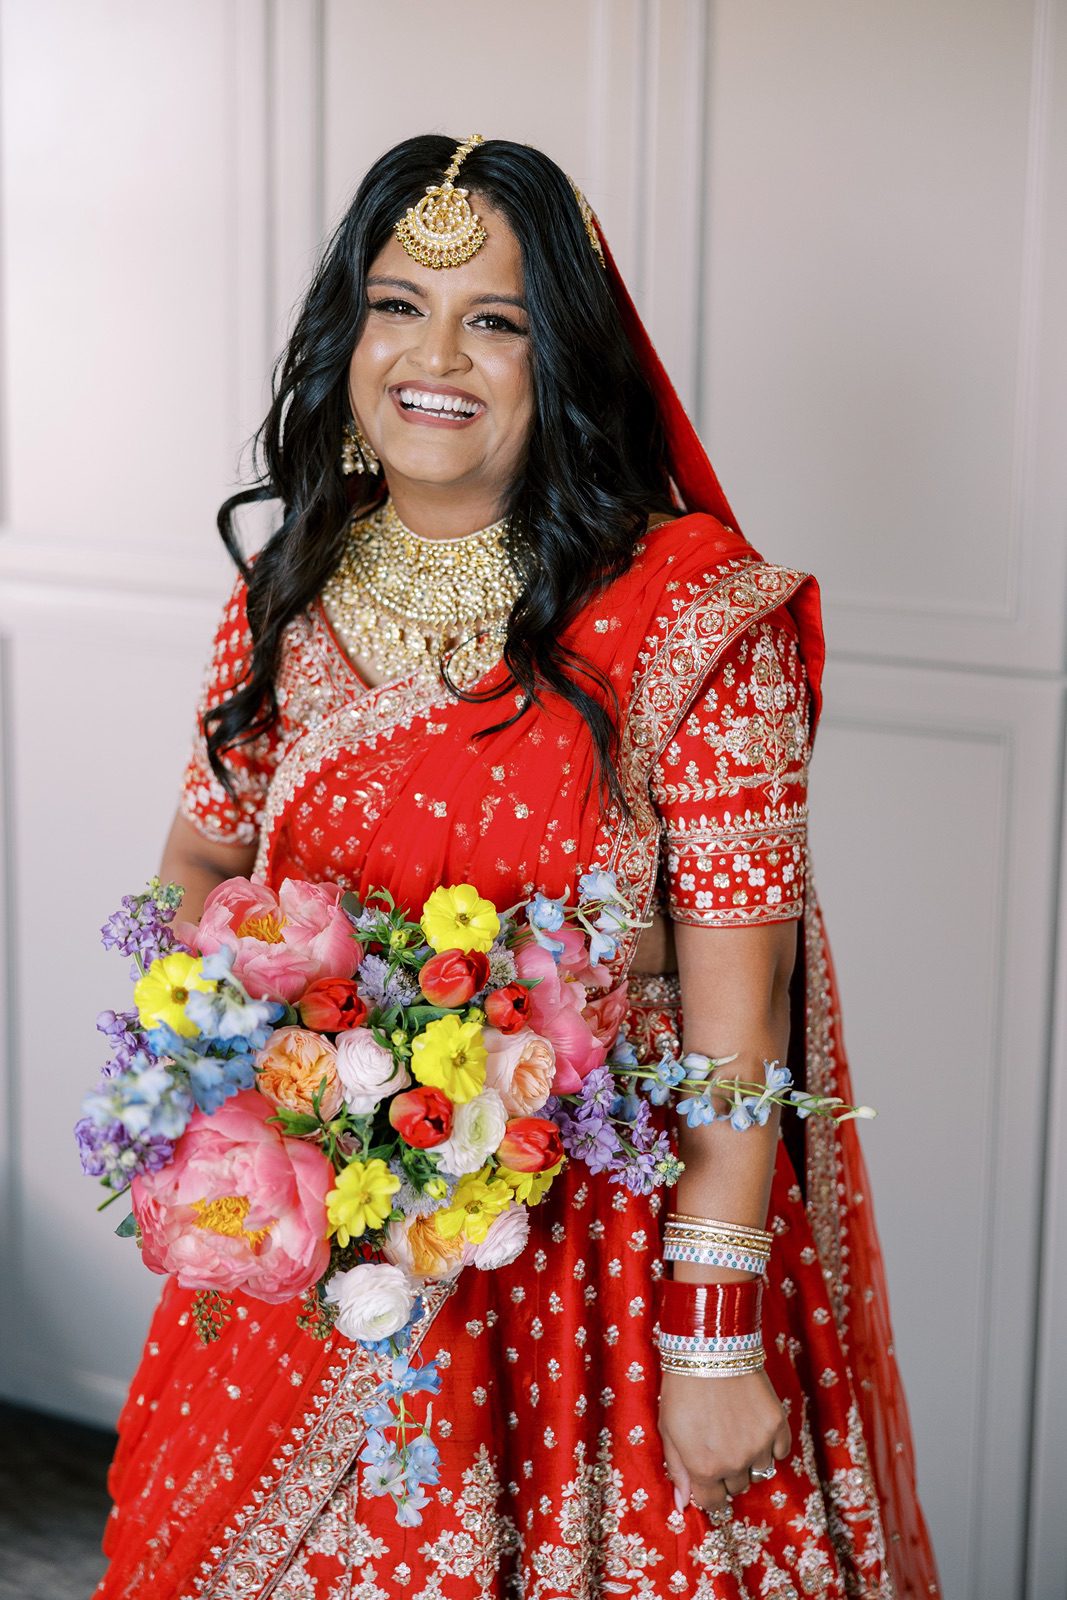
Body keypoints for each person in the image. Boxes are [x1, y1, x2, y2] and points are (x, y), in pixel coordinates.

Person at [96, 135, 940, 1599]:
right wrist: (226, 1086)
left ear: (570, 359)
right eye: (396, 303)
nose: (439, 355)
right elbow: (194, 860)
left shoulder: (691, 628)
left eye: (499, 319)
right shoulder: (288, 600)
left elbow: (739, 1035)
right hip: (330, 1262)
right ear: (344, 337)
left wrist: (714, 1345)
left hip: (602, 1275)